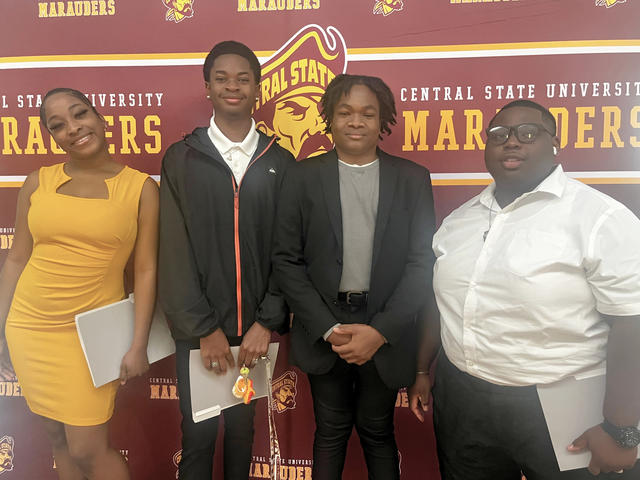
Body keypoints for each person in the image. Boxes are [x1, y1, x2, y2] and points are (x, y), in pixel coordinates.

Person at [409, 99, 640, 479]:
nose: (511, 142)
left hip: (561, 401)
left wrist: (621, 429)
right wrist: (422, 369)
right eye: (498, 134)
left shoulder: (599, 218)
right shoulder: (459, 221)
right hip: (464, 398)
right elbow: (442, 303)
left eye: (528, 133)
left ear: (554, 144)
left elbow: (632, 324)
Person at [273, 73, 436, 480]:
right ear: (329, 116)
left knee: (377, 429)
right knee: (330, 430)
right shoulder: (302, 176)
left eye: (368, 113)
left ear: (383, 120)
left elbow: (421, 263)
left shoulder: (412, 178)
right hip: (325, 326)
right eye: (345, 111)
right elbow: (287, 260)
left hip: (386, 325)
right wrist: (328, 327)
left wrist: (379, 331)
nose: (356, 121)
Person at [0, 87, 159, 480]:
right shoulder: (38, 182)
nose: (72, 128)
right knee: (57, 437)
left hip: (90, 339)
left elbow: (145, 270)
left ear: (100, 117)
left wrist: (138, 343)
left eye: (79, 114)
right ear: (52, 136)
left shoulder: (140, 188)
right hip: (29, 328)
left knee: (88, 449)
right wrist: (1, 326)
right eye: (58, 125)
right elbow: (17, 257)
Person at [157, 40, 295, 480]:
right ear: (208, 87)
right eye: (222, 78)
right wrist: (203, 331)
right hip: (200, 331)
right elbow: (172, 253)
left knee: (242, 434)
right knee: (197, 440)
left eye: (243, 78)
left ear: (258, 88)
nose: (232, 86)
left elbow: (288, 251)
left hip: (255, 332)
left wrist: (266, 321)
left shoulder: (281, 162)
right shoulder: (182, 159)